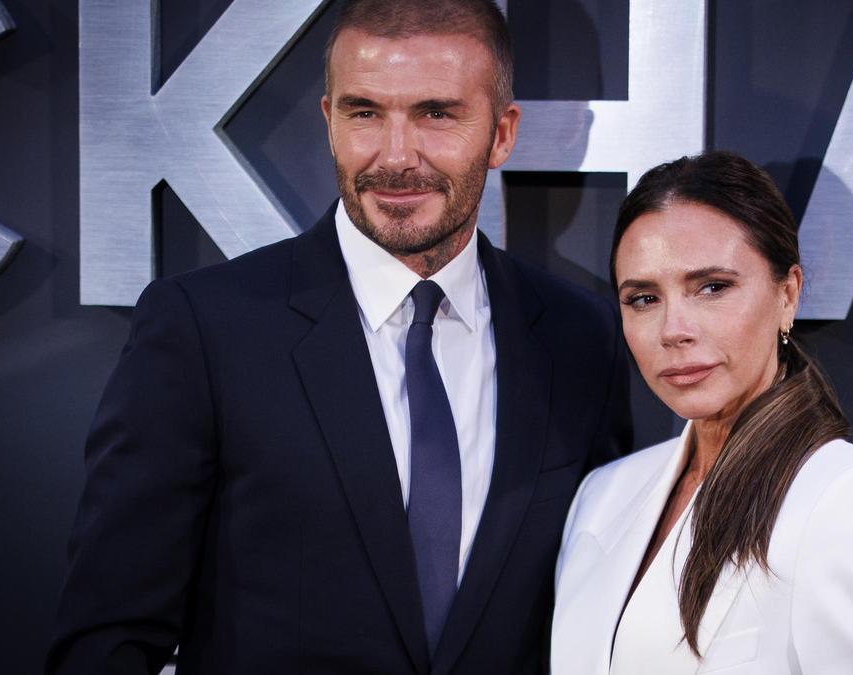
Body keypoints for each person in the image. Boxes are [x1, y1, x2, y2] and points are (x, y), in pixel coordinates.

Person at [46, 1, 631, 673]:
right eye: (364, 113)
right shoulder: (205, 329)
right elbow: (107, 637)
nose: (395, 156)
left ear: (502, 134)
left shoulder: (580, 338)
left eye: (436, 113)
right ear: (328, 122)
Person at [552, 151, 853, 674]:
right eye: (644, 299)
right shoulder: (604, 493)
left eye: (713, 287)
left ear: (787, 295)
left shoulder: (845, 502)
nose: (674, 329)